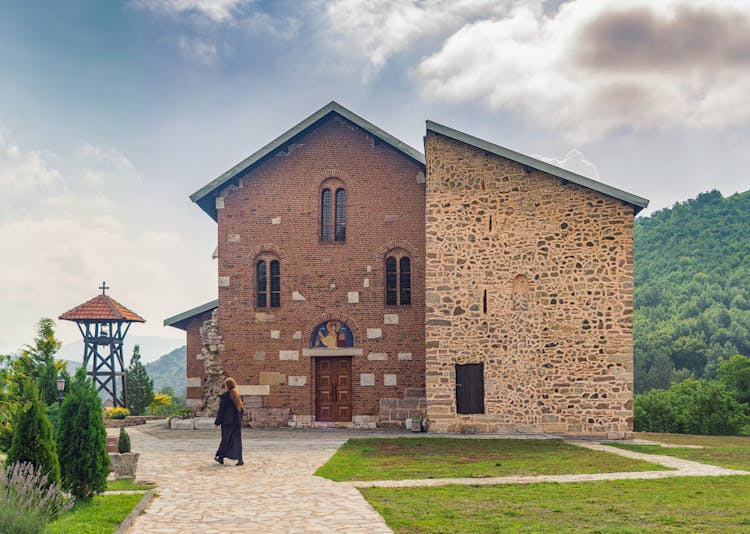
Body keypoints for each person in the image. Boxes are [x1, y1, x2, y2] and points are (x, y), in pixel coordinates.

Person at [214, 377, 244, 466]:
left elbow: (222, 410)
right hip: (236, 422)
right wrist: (239, 419)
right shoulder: (238, 396)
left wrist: (217, 422)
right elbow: (241, 410)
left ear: (227, 386)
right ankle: (240, 460)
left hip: (227, 422)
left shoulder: (225, 396)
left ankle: (221, 457)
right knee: (237, 441)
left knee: (225, 440)